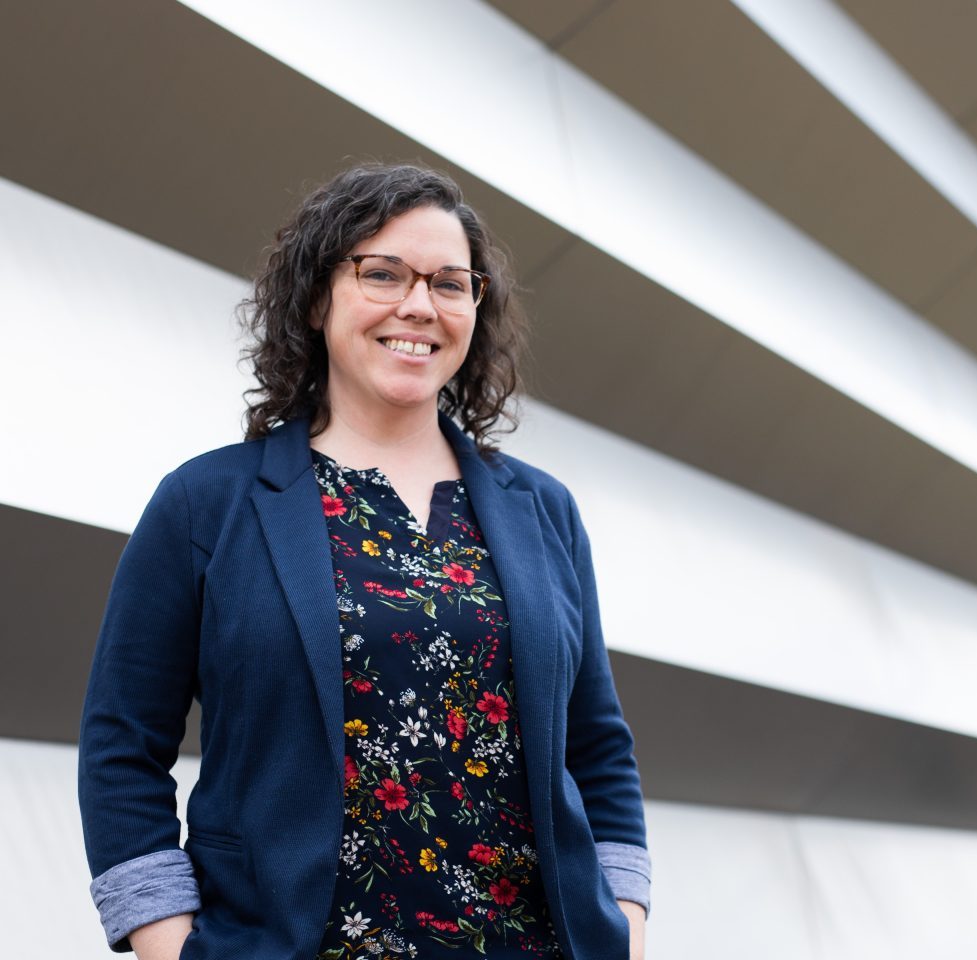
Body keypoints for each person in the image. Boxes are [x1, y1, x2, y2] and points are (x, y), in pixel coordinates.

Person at [78, 163, 649, 960]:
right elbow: (121, 743)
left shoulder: (542, 509)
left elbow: (596, 746)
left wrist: (625, 919)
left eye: (451, 283)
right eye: (382, 273)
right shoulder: (206, 504)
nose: (419, 305)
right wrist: (166, 942)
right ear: (317, 298)